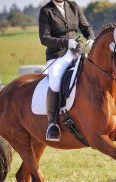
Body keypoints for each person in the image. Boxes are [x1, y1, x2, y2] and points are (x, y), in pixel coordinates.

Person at [39, 0, 95, 142]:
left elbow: (85, 26)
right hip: (57, 54)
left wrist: (90, 38)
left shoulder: (73, 6)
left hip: (77, 51)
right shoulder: (46, 11)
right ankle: (52, 123)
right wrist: (66, 42)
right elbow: (44, 38)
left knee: (94, 72)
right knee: (56, 83)